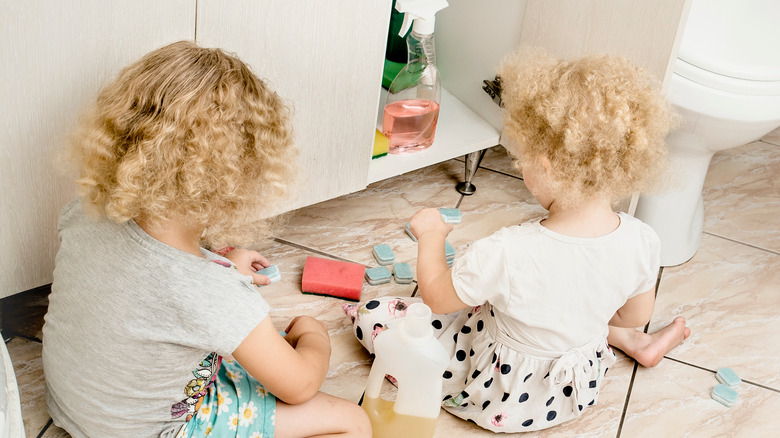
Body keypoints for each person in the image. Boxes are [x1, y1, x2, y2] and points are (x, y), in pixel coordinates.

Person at [344, 49, 690, 433]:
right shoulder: (643, 239)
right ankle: (637, 345)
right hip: (573, 389)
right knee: (574, 309)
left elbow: (437, 298)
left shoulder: (507, 251)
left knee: (374, 315)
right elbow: (633, 316)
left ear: (545, 166)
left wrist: (430, 236)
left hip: (500, 395)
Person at [43, 41, 370, 438]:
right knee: (352, 422)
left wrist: (217, 260)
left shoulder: (82, 214)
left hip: (76, 408)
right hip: (151, 430)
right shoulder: (213, 294)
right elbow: (300, 386)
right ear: (239, 176)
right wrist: (314, 335)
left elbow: (143, 273)